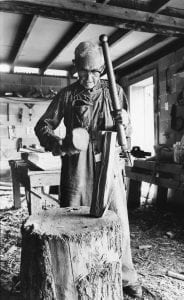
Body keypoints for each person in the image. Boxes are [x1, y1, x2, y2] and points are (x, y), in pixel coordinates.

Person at [35, 41, 141, 298]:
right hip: (77, 164)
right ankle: (72, 276)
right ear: (75, 69)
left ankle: (126, 276)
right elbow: (43, 126)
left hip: (109, 161)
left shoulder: (114, 91)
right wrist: (56, 143)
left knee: (118, 219)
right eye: (84, 71)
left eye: (95, 72)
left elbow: (126, 131)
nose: (89, 77)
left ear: (102, 70)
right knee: (74, 218)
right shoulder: (67, 95)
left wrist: (125, 123)